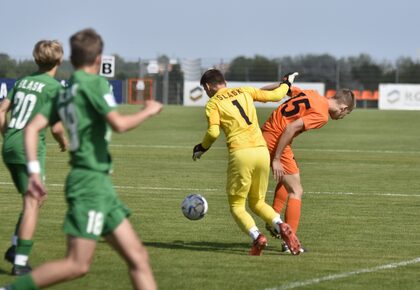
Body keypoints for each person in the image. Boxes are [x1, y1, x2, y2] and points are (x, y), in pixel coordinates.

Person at [2, 28, 162, 290]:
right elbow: (119, 124)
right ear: (98, 58)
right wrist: (149, 111)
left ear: (72, 59)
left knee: (138, 257)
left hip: (100, 186)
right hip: (90, 185)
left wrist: (34, 173)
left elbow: (31, 129)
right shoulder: (94, 84)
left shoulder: (63, 91)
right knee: (77, 264)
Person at [192, 69, 302, 256]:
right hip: (262, 151)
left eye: (205, 89)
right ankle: (282, 225)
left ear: (208, 86)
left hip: (241, 153)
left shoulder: (212, 103)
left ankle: (257, 237)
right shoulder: (244, 90)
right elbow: (276, 95)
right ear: (224, 81)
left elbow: (213, 133)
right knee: (257, 202)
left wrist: (202, 147)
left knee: (237, 205)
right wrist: (287, 83)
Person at [0, 40, 68, 276]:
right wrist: (64, 143)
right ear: (59, 60)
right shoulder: (54, 88)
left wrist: (8, 135)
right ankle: (20, 262)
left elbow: (1, 111)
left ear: (35, 58)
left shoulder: (21, 81)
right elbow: (57, 128)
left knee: (37, 198)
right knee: (32, 201)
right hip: (29, 149)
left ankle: (15, 245)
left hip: (9, 145)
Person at [261, 85, 355, 252]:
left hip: (268, 133)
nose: (342, 117)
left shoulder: (312, 93)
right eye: (345, 114)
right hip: (276, 139)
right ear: (343, 107)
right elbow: (291, 128)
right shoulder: (321, 115)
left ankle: (273, 219)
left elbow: (283, 86)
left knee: (293, 176)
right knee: (296, 191)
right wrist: (276, 158)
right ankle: (290, 243)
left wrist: (257, 92)